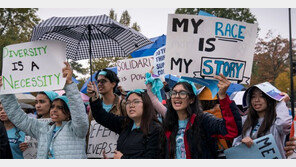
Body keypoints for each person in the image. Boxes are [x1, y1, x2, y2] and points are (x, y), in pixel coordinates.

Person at [0, 62, 89, 159]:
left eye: (60, 108)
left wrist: (69, 84)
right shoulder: (44, 129)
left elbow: (79, 114)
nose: (54, 110)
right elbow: (18, 117)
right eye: (53, 106)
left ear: (69, 112)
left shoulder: (78, 129)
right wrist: (5, 91)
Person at [146, 73, 242, 159]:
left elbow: (232, 130)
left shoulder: (204, 120)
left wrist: (223, 96)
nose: (176, 96)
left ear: (191, 99)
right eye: (174, 93)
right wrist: (149, 82)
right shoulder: (169, 123)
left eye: (182, 93)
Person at [89, 86, 164, 159]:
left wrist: (122, 159)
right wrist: (95, 97)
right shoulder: (125, 124)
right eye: (128, 102)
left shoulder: (155, 130)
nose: (131, 105)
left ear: (146, 104)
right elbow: (102, 117)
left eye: (136, 102)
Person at [232, 85, 292, 159]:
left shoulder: (276, 121)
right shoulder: (244, 121)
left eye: (261, 96)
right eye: (253, 97)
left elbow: (284, 124)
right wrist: (242, 144)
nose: (256, 100)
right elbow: (234, 146)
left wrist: (282, 101)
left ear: (270, 99)